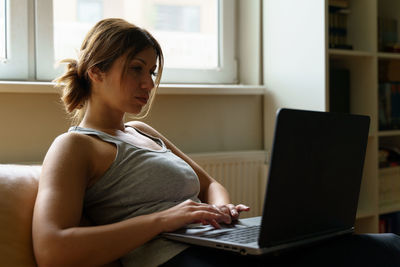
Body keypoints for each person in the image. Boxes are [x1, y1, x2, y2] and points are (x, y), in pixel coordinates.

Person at [32, 18, 400, 267]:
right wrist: (163, 220)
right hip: (173, 260)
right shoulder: (75, 147)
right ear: (96, 71)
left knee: (386, 246)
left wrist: (220, 211)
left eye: (152, 71)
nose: (149, 83)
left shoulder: (144, 132)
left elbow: (211, 185)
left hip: (218, 243)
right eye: (136, 69)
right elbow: (52, 248)